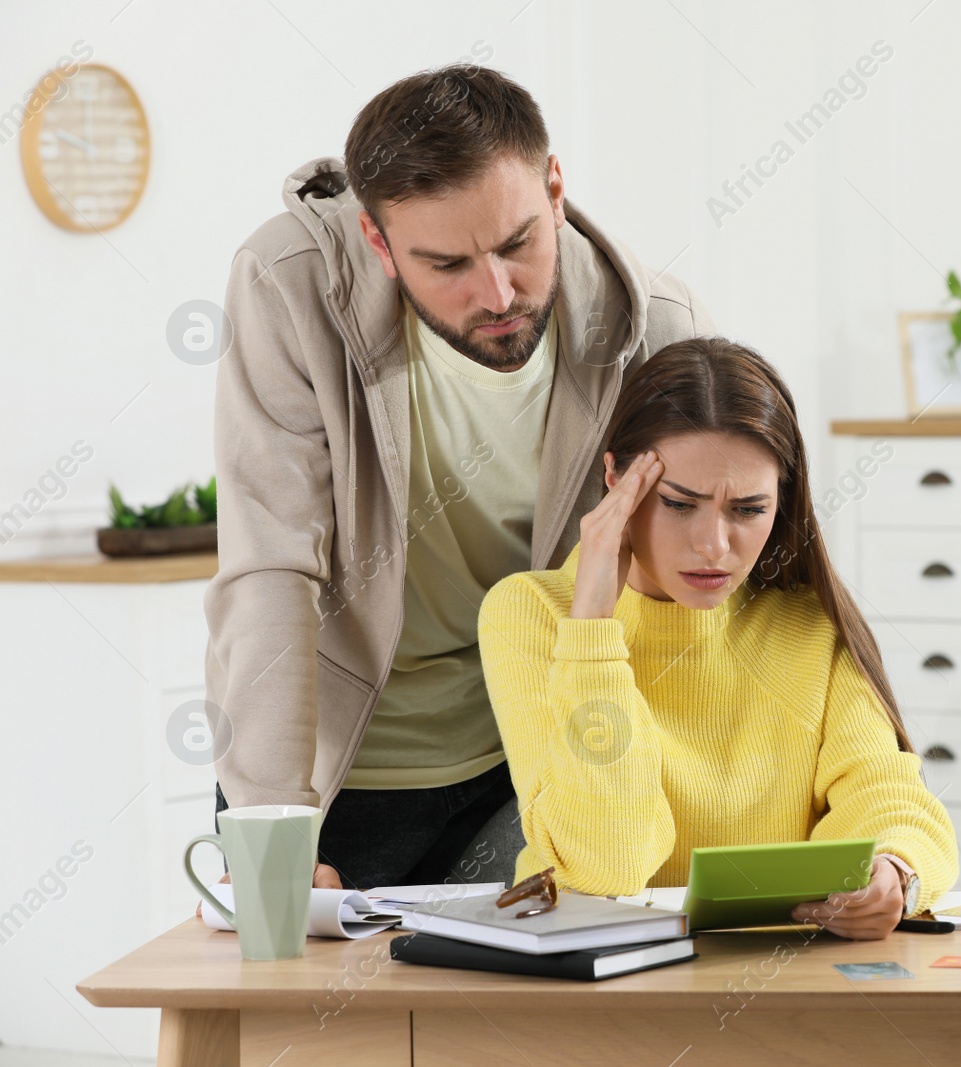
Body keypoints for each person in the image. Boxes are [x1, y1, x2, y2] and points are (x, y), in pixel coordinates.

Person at [203, 62, 714, 898]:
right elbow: (269, 565)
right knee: (312, 1028)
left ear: (555, 188)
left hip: (529, 764)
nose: (499, 292)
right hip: (329, 773)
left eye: (518, 243)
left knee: (530, 1028)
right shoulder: (287, 284)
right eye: (446, 265)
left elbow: (717, 586)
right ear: (379, 242)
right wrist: (272, 821)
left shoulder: (655, 328)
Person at [478, 337, 959, 940]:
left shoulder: (808, 621)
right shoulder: (532, 615)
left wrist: (893, 871)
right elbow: (611, 862)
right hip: (596, 978)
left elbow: (885, 796)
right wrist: (594, 630)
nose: (714, 545)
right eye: (680, 503)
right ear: (614, 481)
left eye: (749, 510)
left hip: (778, 977)